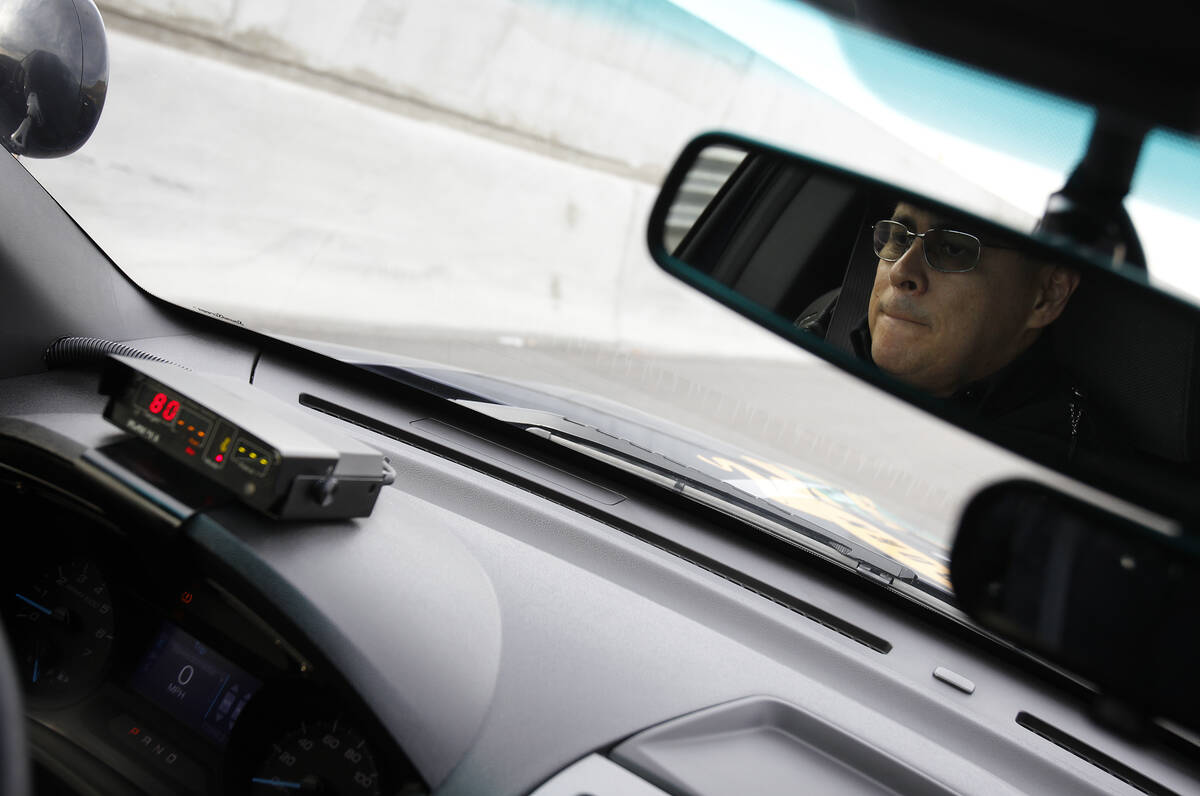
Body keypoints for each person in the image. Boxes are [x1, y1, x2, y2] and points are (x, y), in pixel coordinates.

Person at [800, 201, 1098, 464]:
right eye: (900, 238)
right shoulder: (817, 335)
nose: (900, 272)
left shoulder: (1066, 474)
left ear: (1047, 294)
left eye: (953, 248)